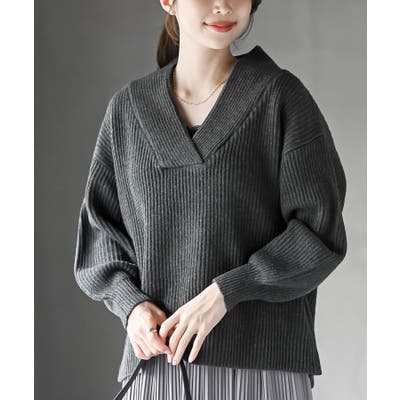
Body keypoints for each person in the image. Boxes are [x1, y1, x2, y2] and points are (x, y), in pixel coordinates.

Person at [73, 0, 348, 399]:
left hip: (261, 367)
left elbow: (319, 232)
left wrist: (226, 292)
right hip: (159, 367)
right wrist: (132, 306)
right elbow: (101, 234)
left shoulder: (280, 97)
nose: (223, 5)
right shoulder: (128, 110)